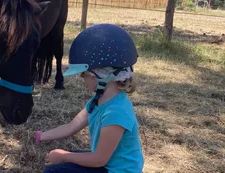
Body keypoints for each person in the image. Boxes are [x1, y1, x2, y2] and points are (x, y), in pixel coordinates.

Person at [34, 24, 144, 173]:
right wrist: (41, 136)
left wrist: (65, 156)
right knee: (56, 164)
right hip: (107, 165)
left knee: (54, 170)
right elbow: (71, 126)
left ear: (102, 75)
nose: (82, 79)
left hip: (117, 170)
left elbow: (98, 159)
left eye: (84, 74)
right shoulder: (97, 101)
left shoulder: (116, 112)